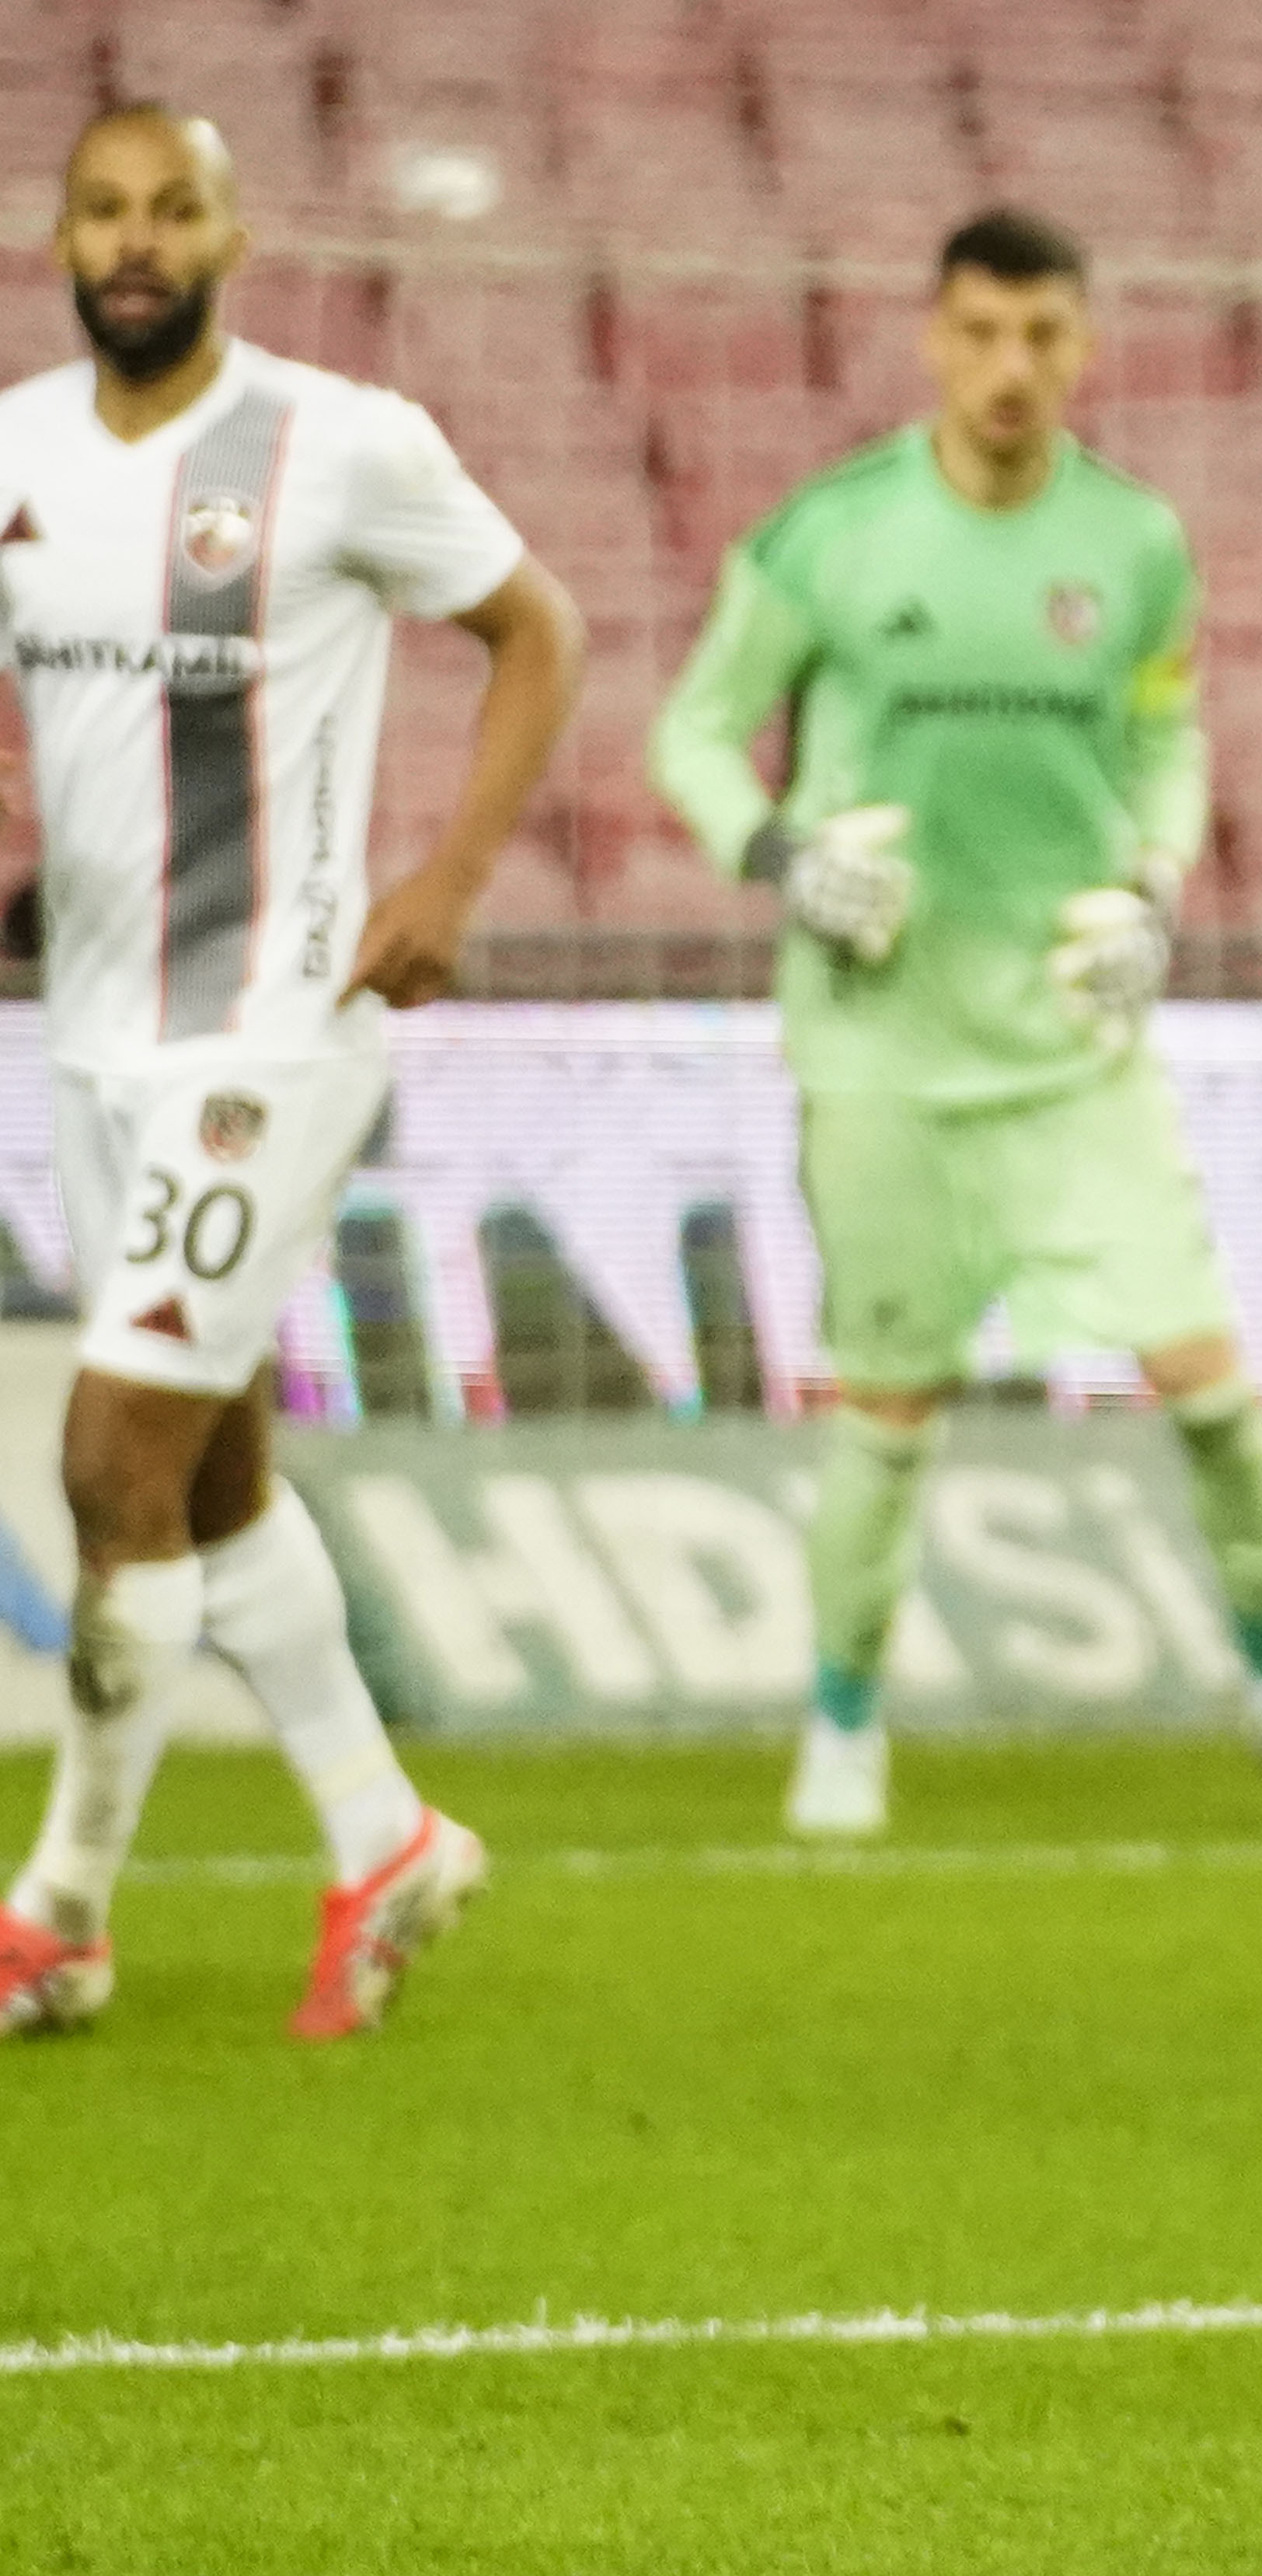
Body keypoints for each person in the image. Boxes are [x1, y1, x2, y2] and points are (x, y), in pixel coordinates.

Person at [648, 208, 1262, 1838]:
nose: (1012, 366)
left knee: (1210, 1382)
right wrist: (782, 857)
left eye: (1044, 335)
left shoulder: (1132, 545)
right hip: (883, 1050)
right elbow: (696, 732)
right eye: (984, 333)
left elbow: (1166, 742)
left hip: (1073, 1048)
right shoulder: (831, 536)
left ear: (1084, 345)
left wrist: (1153, 886)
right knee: (889, 1408)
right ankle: (843, 1725)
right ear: (935, 339)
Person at [0, 105, 581, 2038]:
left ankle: (60, 1907)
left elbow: (538, 631)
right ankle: (383, 1834)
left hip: (275, 1033)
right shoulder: (14, 455)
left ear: (232, 237)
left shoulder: (344, 445)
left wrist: (448, 880)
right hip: (94, 1039)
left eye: (174, 209)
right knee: (215, 1479)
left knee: (109, 1459)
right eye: (105, 209)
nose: (137, 240)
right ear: (61, 238)